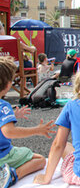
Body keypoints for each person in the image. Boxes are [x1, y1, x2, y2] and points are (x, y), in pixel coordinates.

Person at [0, 56, 56, 188]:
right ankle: (12, 175)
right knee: (40, 160)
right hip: (3, 154)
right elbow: (9, 132)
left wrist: (12, 115)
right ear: (9, 84)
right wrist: (37, 130)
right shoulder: (3, 106)